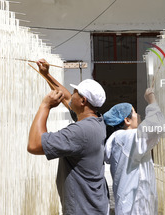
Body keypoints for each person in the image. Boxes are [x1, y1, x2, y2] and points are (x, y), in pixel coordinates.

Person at [27, 59, 109, 215]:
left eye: (76, 93)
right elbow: (66, 98)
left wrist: (45, 106)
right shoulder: (96, 120)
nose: (72, 95)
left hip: (83, 210)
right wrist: (46, 75)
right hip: (93, 206)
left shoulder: (79, 132)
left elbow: (34, 144)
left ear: (83, 101)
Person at [104, 88, 165, 215]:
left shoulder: (120, 140)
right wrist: (152, 101)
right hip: (134, 209)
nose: (138, 115)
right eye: (134, 112)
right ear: (127, 120)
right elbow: (158, 126)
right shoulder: (126, 138)